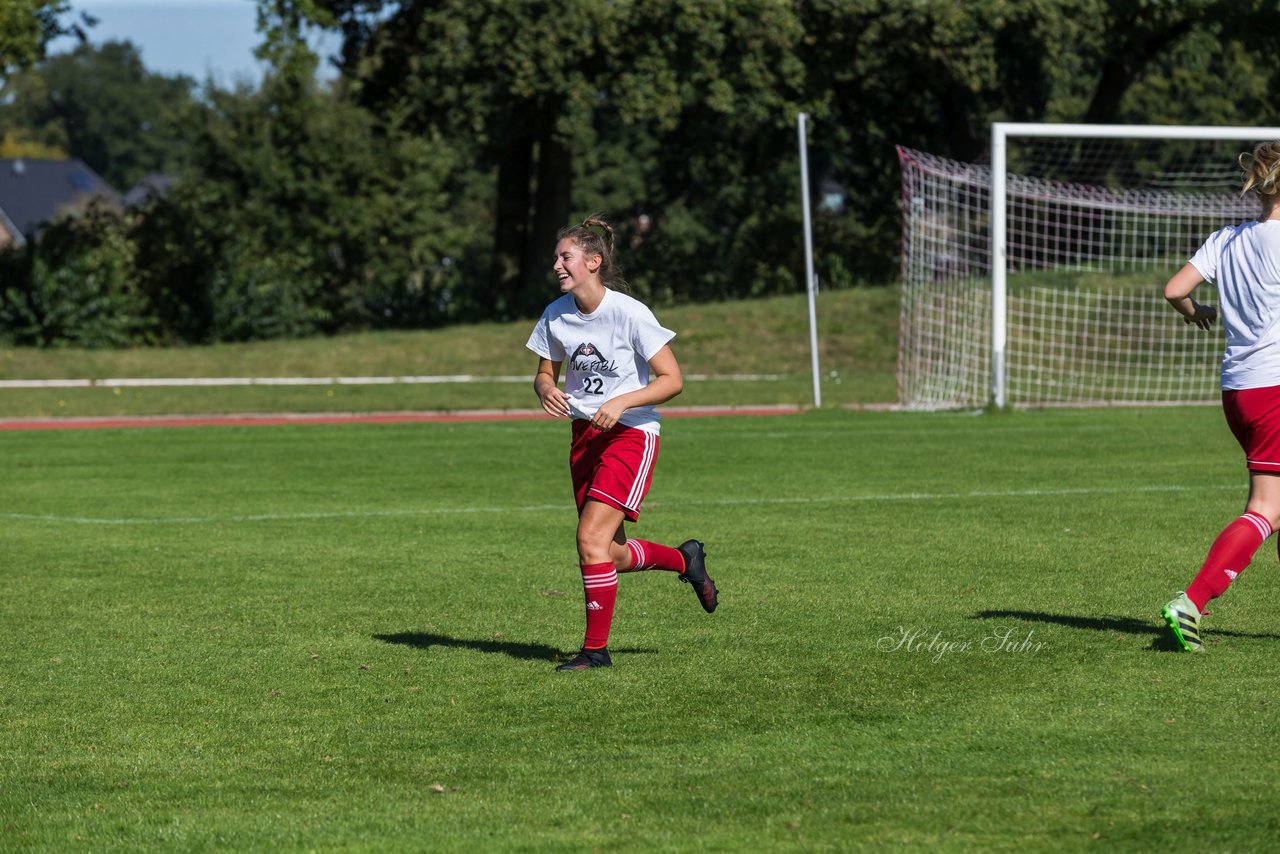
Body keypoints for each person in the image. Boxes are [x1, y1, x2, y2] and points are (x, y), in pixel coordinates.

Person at [526, 215, 718, 671]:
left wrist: (623, 401)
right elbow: (542, 374)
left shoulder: (630, 313)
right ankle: (684, 559)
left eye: (565, 256)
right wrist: (545, 390)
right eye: (556, 256)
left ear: (593, 262)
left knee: (589, 539)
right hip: (583, 437)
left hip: (631, 435)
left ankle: (595, 651)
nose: (557, 264)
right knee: (606, 552)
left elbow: (673, 380)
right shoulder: (556, 315)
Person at [1162, 140, 1280, 652]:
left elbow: (1174, 290)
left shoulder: (1227, 239)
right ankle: (1191, 601)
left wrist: (1199, 313)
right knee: (1267, 508)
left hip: (1239, 389)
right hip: (1275, 388)